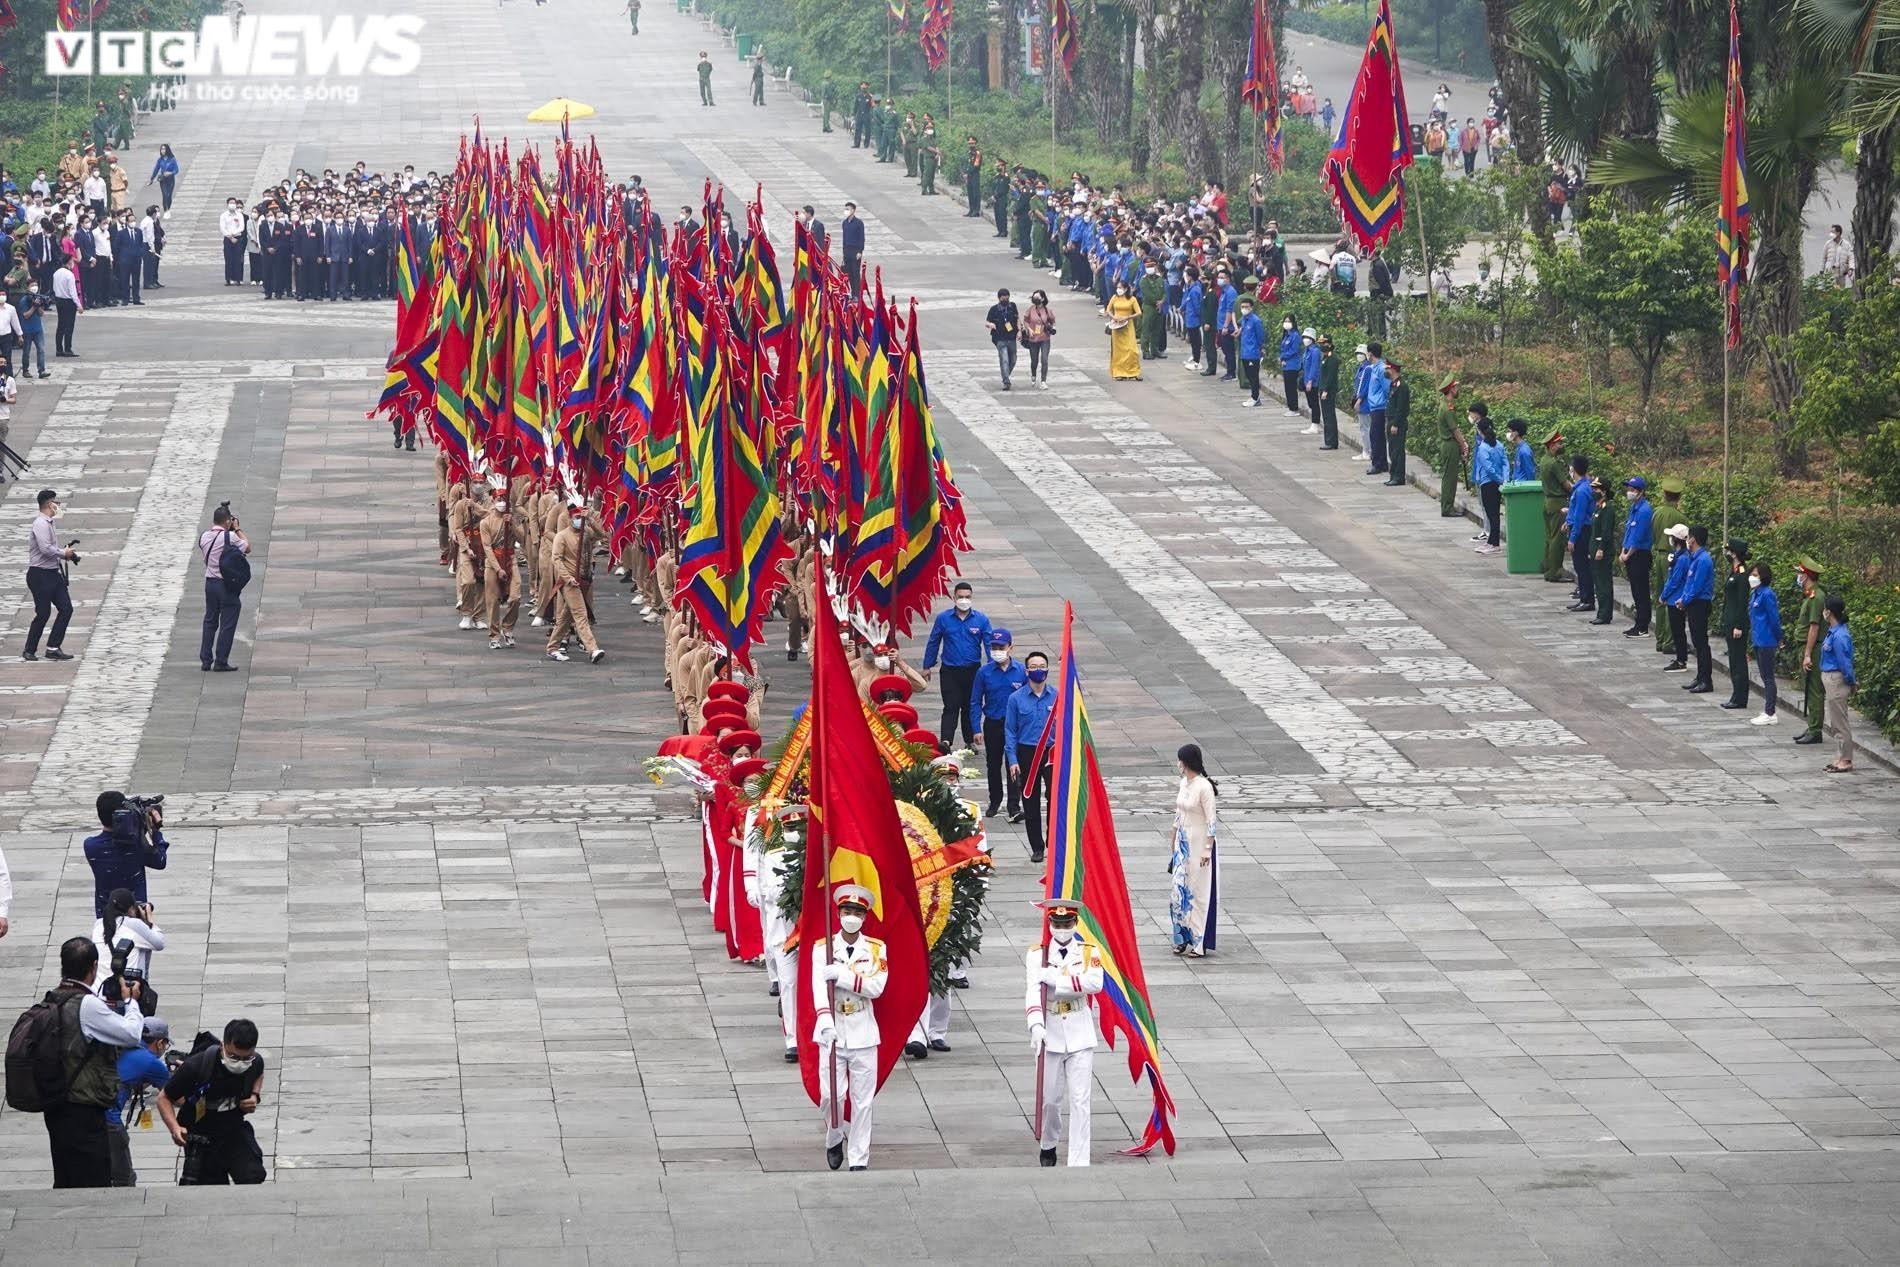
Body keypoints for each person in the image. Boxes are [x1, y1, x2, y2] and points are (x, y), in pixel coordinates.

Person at [35, 937, 147, 1187]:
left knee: (65, 1178)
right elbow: (131, 1034)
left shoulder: (53, 998)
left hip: (56, 1104)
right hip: (82, 1109)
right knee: (92, 1180)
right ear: (94, 966)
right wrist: (131, 1002)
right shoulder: (86, 1005)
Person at [1026, 898, 1106, 1167]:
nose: (1062, 929)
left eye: (1067, 924)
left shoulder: (1089, 952)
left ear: (1075, 923)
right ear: (1050, 924)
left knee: (1081, 1100)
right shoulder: (1037, 955)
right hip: (1050, 1032)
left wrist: (1057, 980)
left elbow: (1094, 983)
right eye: (1057, 924)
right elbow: (1032, 991)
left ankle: (1079, 1160)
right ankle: (1049, 1144)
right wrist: (1036, 1024)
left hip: (1079, 1030)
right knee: (1050, 1100)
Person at [812, 884, 886, 1171]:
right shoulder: (823, 948)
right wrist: (824, 1021)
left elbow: (876, 987)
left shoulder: (876, 949)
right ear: (838, 913)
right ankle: (834, 1136)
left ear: (864, 916)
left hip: (863, 1030)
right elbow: (818, 988)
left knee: (862, 1101)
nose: (851, 916)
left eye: (857, 912)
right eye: (846, 911)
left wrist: (843, 976)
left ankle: (858, 1158)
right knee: (831, 1096)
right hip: (832, 1029)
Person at [158, 1017, 267, 1184]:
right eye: (233, 1057)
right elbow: (164, 1098)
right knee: (212, 1188)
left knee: (252, 1175)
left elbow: (259, 1073)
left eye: (246, 1058)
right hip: (201, 1134)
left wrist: (254, 1095)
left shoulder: (255, 1061)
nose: (240, 1063)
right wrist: (175, 1128)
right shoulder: (195, 1067)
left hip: (233, 1129)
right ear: (223, 1046)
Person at [922, 580, 991, 749]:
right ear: (954, 598)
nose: (964, 600)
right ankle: (946, 741)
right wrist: (927, 666)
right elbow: (934, 641)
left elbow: (989, 644)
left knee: (969, 706)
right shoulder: (943, 618)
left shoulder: (981, 620)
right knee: (951, 706)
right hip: (950, 671)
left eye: (967, 597)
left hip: (973, 671)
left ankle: (969, 741)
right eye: (960, 597)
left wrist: (992, 666)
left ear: (971, 598)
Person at [108, 1016, 173, 1187]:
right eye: (166, 1044)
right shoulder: (151, 1063)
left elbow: (129, 1077)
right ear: (160, 1043)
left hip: (85, 1114)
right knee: (124, 1177)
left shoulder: (123, 1048)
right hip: (109, 1121)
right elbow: (176, 1097)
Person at [1005, 652, 1057, 859]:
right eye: (1034, 667)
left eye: (1042, 666)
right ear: (1026, 671)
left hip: (1051, 753)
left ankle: (1053, 841)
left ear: (1048, 669)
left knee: (1054, 797)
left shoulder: (1057, 696)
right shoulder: (1015, 699)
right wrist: (1012, 760)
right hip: (1027, 752)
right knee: (1030, 799)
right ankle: (1037, 847)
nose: (1038, 670)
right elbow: (1010, 731)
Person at [84, 791, 170, 918]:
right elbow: (160, 860)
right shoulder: (136, 846)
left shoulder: (90, 845)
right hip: (136, 915)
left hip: (105, 917)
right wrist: (155, 831)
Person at [1169, 743, 1218, 957]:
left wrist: (1207, 849)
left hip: (1199, 842)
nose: (1178, 763)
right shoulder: (1184, 783)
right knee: (1178, 891)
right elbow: (1179, 813)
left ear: (1186, 762)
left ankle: (1198, 941)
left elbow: (1211, 821)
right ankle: (1181, 937)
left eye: (1180, 760)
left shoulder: (1204, 787)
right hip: (1182, 842)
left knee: (1197, 892)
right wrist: (1173, 836)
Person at [972, 629, 1027, 818]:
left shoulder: (1021, 671)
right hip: (993, 724)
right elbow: (975, 701)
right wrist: (976, 728)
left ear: (1010, 647)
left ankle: (1014, 806)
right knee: (993, 765)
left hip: (1015, 727)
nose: (997, 651)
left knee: (1014, 763)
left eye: (1001, 647)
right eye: (994, 647)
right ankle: (995, 801)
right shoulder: (984, 672)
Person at [545, 504, 606, 663]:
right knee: (581, 614)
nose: (579, 520)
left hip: (584, 580)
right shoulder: (562, 536)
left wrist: (590, 519)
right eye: (577, 517)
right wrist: (567, 578)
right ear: (570, 518)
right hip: (570, 582)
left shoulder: (586, 532)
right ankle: (592, 649)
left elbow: (602, 534)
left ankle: (552, 647)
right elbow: (556, 559)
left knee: (565, 617)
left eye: (581, 517)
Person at [24, 487, 78, 661]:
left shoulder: (49, 522)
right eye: (56, 502)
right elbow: (45, 549)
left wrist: (66, 554)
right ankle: (29, 650)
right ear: (49, 504)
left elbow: (51, 549)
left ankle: (53, 647)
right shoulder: (40, 524)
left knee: (66, 608)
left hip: (53, 574)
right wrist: (63, 553)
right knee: (43, 613)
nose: (58, 505)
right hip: (40, 575)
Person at [93, 888, 164, 1015]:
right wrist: (149, 920)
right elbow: (159, 943)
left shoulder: (98, 925)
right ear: (131, 908)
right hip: (126, 994)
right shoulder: (134, 924)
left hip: (101, 993)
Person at [198, 502, 250, 672]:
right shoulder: (230, 537)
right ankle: (221, 661)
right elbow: (247, 547)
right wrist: (237, 529)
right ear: (228, 521)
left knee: (209, 621)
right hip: (225, 585)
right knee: (227, 622)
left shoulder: (204, 537)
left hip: (210, 584)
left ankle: (206, 660)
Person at [1792, 558, 1827, 745]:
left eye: (1799, 573)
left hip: (1812, 648)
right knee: (1809, 688)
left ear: (1806, 575)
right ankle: (1812, 726)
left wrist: (1807, 654)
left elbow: (1814, 627)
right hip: (1807, 646)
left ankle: (1815, 730)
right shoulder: (1810, 594)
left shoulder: (1816, 597)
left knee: (1814, 690)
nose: (1798, 576)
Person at [1819, 597, 1856, 771]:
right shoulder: (1833, 631)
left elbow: (1844, 662)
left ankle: (1846, 759)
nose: (1823, 612)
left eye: (1825, 609)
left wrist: (1851, 681)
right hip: (1830, 678)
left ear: (1830, 612)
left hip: (1837, 679)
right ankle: (1840, 757)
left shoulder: (1840, 635)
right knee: (1835, 721)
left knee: (1840, 721)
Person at [1678, 525, 1716, 693]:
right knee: (1697, 642)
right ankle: (1700, 677)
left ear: (1693, 539)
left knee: (1701, 643)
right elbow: (1690, 583)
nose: (1687, 541)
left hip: (1700, 603)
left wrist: (1684, 600)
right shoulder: (1695, 558)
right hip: (1693, 602)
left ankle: (1706, 680)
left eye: (1688, 537)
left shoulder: (1703, 560)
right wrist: (1683, 598)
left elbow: (1697, 586)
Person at [1748, 561, 1783, 727]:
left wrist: (1779, 638)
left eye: (1755, 575)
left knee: (1768, 677)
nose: (1751, 577)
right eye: (1751, 574)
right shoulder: (1755, 593)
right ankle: (1768, 709)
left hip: (1767, 640)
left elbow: (1774, 619)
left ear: (1763, 577)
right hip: (1758, 639)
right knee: (1764, 676)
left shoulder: (1767, 594)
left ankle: (1770, 712)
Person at [1619, 477, 1654, 637]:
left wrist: (1628, 554)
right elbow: (1629, 532)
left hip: (1639, 554)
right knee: (1636, 591)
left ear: (1641, 492)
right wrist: (1623, 551)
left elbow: (1638, 537)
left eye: (1633, 490)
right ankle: (1638, 623)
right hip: (1630, 553)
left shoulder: (1645, 510)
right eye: (1629, 489)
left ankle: (1642, 626)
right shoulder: (1634, 507)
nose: (1630, 492)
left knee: (1641, 592)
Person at [1719, 540, 1752, 709]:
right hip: (1730, 621)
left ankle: (1740, 697)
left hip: (1737, 624)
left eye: (1728, 551)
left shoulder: (1742, 573)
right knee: (1733, 659)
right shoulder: (1734, 571)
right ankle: (1736, 695)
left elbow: (1742, 601)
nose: (1726, 554)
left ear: (1734, 553)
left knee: (1738, 661)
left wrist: (1738, 625)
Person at [1538, 432, 1571, 583]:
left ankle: (1547, 567)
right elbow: (1566, 485)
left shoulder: (1544, 460)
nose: (1561, 446)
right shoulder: (1554, 463)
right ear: (1552, 446)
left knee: (1550, 537)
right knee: (1558, 539)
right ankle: (1554, 572)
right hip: (1558, 503)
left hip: (1548, 502)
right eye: (1559, 443)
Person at [1564, 455, 1596, 611]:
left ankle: (1587, 599)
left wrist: (1573, 538)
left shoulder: (1582, 490)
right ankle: (1584, 597)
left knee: (1582, 567)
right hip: (1578, 528)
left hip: (1582, 531)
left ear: (1574, 469)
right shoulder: (1581, 487)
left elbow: (1579, 516)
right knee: (1580, 566)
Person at [1658, 524, 1692, 671]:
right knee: (1677, 630)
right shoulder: (1679, 555)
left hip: (1676, 599)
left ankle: (1681, 660)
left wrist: (1664, 595)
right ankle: (1680, 658)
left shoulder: (1682, 558)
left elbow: (1674, 580)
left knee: (1678, 630)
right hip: (1675, 597)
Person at [1472, 418, 1506, 555]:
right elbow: (1505, 463)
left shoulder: (1483, 448)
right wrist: (1504, 479)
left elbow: (1488, 468)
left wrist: (1499, 479)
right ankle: (1491, 541)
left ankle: (1495, 544)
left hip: (1488, 483)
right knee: (1494, 513)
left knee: (1492, 514)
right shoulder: (1499, 445)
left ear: (1480, 431)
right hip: (1497, 483)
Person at [1434, 377, 1466, 515]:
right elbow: (1455, 431)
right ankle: (1447, 508)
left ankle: (1448, 506)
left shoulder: (1445, 405)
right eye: (1456, 387)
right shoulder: (1447, 409)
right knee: (1450, 478)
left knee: (1449, 477)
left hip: (1448, 444)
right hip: (1450, 445)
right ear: (1451, 389)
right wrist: (1463, 445)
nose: (1457, 390)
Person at [1588, 479, 1617, 624]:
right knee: (1598, 583)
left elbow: (1606, 532)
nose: (1593, 492)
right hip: (1594, 549)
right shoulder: (1598, 507)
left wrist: (1600, 549)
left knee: (1604, 583)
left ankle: (1605, 614)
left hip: (1603, 551)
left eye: (1596, 489)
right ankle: (1601, 612)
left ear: (1604, 492)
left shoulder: (1607, 509)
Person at [1104, 280, 1141, 381]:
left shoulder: (1132, 299)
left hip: (1128, 326)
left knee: (1132, 349)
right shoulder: (1114, 298)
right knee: (1118, 351)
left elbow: (1138, 312)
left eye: (1120, 288)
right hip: (1116, 326)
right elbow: (1108, 310)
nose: (1118, 289)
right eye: (1117, 287)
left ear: (1126, 289)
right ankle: (1118, 372)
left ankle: (1134, 371)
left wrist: (1127, 317)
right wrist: (1114, 317)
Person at [984, 288, 1019, 390]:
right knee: (1004, 359)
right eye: (1003, 299)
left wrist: (1020, 331)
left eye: (1007, 298)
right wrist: (991, 325)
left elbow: (1017, 318)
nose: (1005, 300)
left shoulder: (1012, 306)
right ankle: (1006, 381)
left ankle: (1005, 375)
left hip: (1012, 337)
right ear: (999, 298)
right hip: (1000, 338)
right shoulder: (994, 309)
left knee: (1013, 360)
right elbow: (987, 322)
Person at [1234, 296, 1265, 406]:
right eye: (1242, 307)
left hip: (1253, 353)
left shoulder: (1256, 321)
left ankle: (1256, 398)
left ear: (1251, 308)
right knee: (1249, 375)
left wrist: (1261, 349)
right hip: (1245, 352)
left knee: (1253, 376)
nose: (1244, 309)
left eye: (1246, 307)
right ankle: (1253, 396)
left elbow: (1260, 337)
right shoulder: (1244, 320)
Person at [1384, 360, 1411, 485]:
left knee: (1398, 451)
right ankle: (1393, 475)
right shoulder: (1393, 385)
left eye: (1387, 369)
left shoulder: (1402, 386)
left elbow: (1401, 408)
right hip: (1391, 420)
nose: (1386, 371)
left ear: (1393, 370)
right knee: (1392, 450)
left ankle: (1399, 477)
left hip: (1397, 423)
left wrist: (1395, 424)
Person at [1020, 289, 1055, 387]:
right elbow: (1025, 320)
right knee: (1034, 361)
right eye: (1034, 297)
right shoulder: (1030, 310)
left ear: (1043, 299)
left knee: (1044, 359)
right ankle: (1033, 375)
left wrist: (1052, 328)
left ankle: (1043, 381)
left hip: (1045, 338)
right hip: (1033, 339)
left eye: (1037, 297)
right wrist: (1029, 329)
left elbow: (1052, 321)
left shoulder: (1048, 311)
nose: (1035, 299)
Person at [51, 254, 82, 358]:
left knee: (61, 325)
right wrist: (79, 305)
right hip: (68, 302)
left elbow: (54, 288)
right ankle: (68, 349)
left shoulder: (56, 273)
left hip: (59, 300)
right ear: (69, 262)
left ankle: (59, 349)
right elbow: (73, 292)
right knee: (69, 326)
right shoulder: (69, 275)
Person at [1137, 257, 1167, 361]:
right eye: (1148, 266)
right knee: (1146, 330)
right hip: (1149, 307)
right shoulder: (1143, 280)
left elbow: (1164, 292)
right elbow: (1148, 294)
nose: (1150, 268)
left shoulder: (1160, 279)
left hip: (1159, 307)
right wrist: (1157, 302)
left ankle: (1155, 350)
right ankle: (1145, 351)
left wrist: (1162, 301)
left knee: (1157, 330)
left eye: (1152, 266)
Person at [1277, 316, 1302, 418]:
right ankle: (1290, 407)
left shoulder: (1295, 335)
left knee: (1291, 388)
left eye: (1289, 321)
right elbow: (1283, 349)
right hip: (1286, 365)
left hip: (1293, 365)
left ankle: (1294, 408)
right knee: (1287, 388)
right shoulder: (1286, 335)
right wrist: (1282, 359)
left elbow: (1293, 350)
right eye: (1285, 321)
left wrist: (1283, 357)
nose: (1286, 323)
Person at [840, 202, 864, 287]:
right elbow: (844, 237)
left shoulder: (859, 223)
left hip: (855, 251)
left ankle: (856, 292)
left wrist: (860, 251)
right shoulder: (844, 223)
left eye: (848, 209)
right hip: (847, 250)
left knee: (855, 273)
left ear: (853, 210)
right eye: (845, 209)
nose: (846, 211)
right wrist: (844, 251)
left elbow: (861, 238)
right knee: (848, 272)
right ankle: (849, 290)